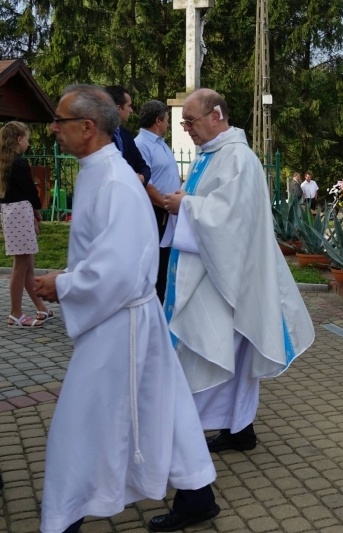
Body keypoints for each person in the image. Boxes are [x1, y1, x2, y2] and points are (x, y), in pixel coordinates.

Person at [34, 84, 218, 533]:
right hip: (127, 318)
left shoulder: (115, 181)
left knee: (77, 425)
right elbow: (107, 252)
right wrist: (72, 273)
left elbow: (119, 271)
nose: (53, 129)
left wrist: (65, 284)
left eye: (60, 121)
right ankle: (197, 496)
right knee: (165, 408)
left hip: (121, 323)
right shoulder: (100, 170)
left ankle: (64, 518)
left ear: (87, 127)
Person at [163, 88, 314, 453]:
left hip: (229, 276)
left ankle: (193, 438)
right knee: (226, 355)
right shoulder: (210, 155)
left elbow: (231, 219)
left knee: (209, 351)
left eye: (191, 121)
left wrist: (186, 205)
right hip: (212, 270)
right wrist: (186, 205)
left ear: (216, 115)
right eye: (183, 122)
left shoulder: (238, 159)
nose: (187, 129)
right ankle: (238, 428)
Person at [0, 121, 53, 327]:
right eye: (27, 139)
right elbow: (30, 192)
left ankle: (41, 307)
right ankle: (16, 313)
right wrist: (37, 212)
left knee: (28, 265)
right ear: (18, 139)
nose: (28, 143)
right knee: (20, 266)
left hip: (11, 213)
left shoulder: (5, 163)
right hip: (21, 212)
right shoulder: (19, 163)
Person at [134, 100, 182, 302]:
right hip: (158, 213)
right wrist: (166, 205)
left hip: (170, 212)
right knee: (156, 269)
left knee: (167, 267)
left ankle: (164, 312)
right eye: (167, 120)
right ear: (158, 120)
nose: (168, 124)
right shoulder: (141, 145)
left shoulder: (161, 144)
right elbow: (146, 185)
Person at [104, 85, 151, 186]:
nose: (131, 110)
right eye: (129, 106)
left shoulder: (126, 135)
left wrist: (141, 178)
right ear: (118, 108)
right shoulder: (100, 136)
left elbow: (144, 167)